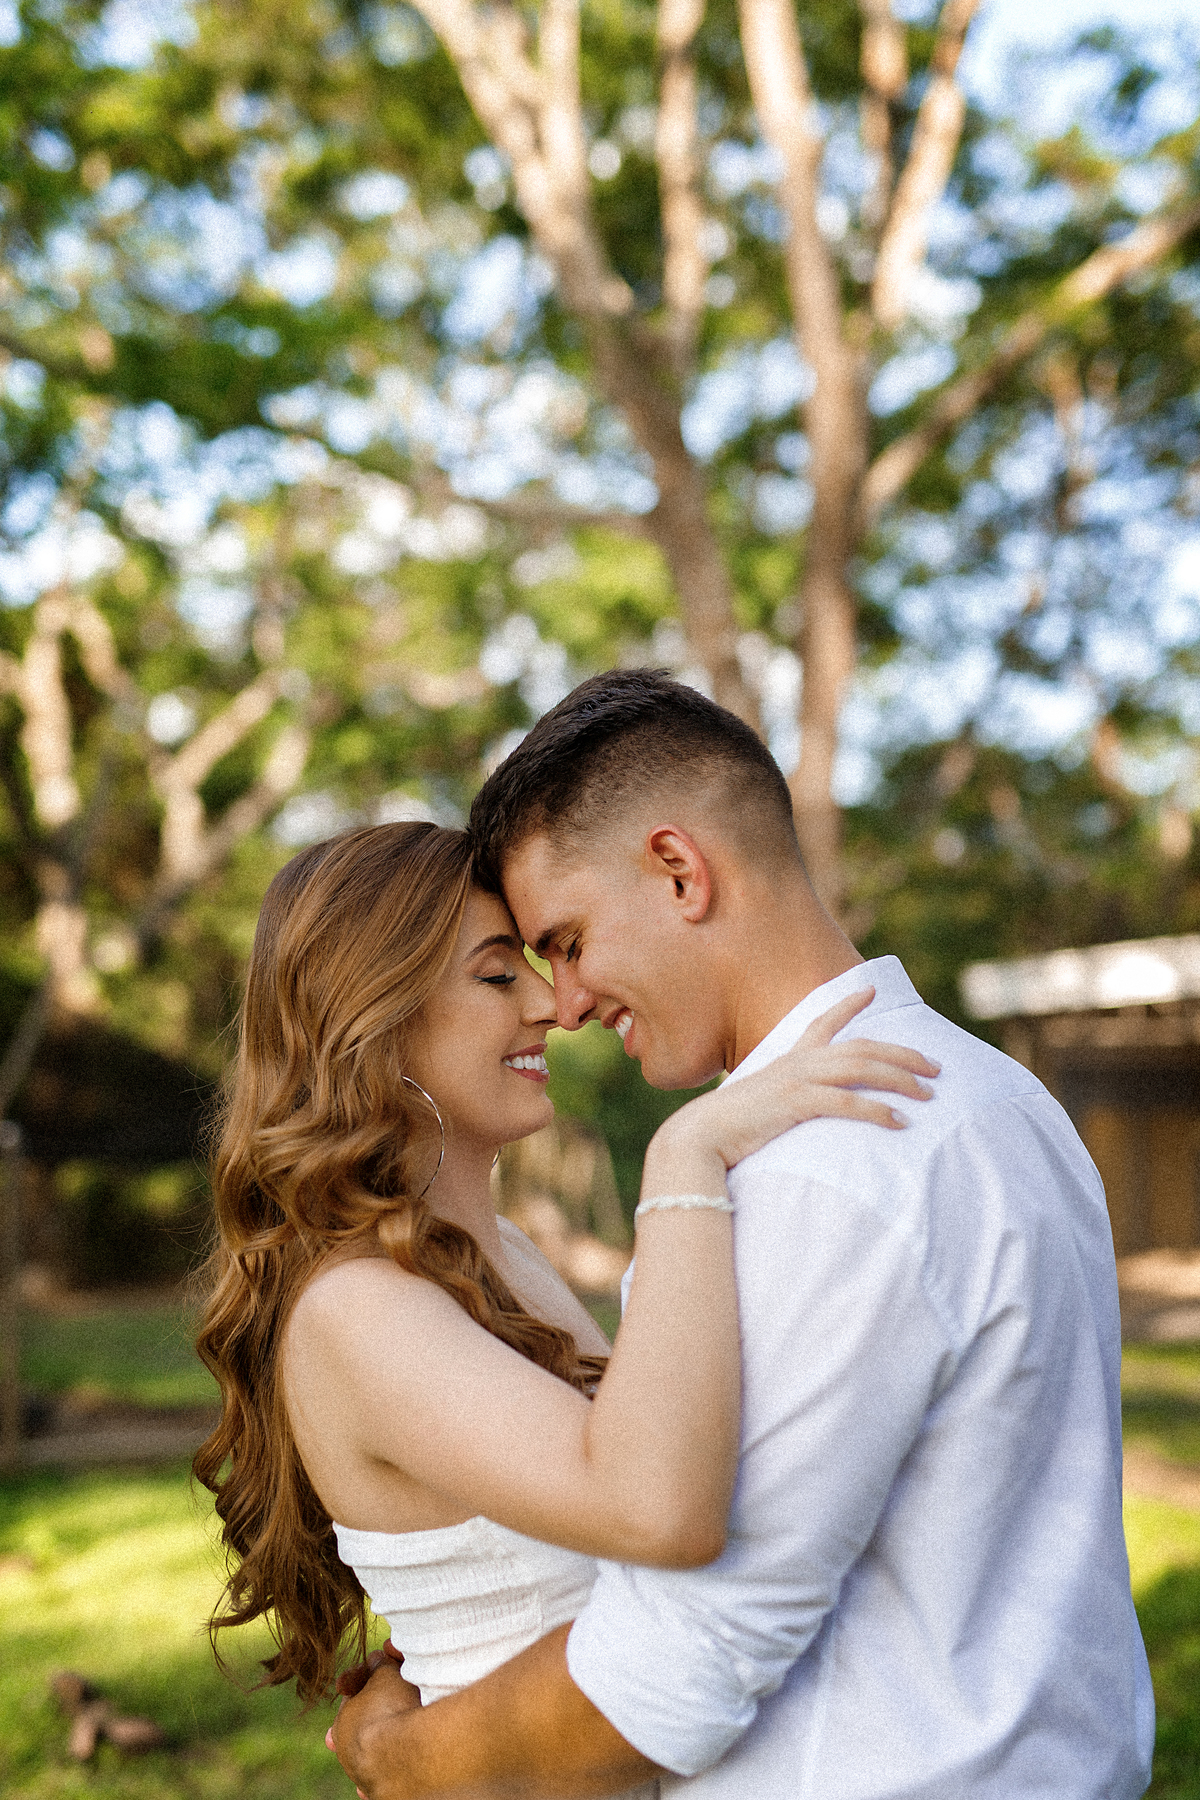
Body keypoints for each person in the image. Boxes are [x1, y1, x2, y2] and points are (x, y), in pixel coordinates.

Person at [333, 669, 1154, 1800]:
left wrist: (400, 1761)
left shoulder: (824, 1168)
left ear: (680, 870)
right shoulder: (1002, 1097)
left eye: (567, 940)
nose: (564, 1004)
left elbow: (683, 1659)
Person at [193, 816, 934, 1774]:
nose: (551, 1005)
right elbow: (658, 1513)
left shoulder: (502, 1255)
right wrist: (687, 1155)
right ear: (375, 1020)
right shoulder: (358, 1308)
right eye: (499, 975)